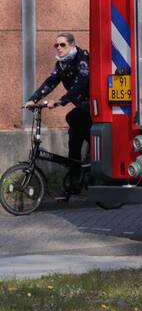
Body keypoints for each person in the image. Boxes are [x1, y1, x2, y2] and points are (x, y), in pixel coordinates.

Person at [25, 33, 91, 193]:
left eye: (62, 45)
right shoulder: (61, 64)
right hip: (81, 107)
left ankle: (94, 154)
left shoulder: (81, 60)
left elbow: (81, 84)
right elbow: (51, 82)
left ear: (72, 45)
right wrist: (33, 99)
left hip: (93, 104)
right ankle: (75, 179)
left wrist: (61, 101)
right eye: (56, 45)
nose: (59, 48)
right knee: (74, 137)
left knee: (72, 117)